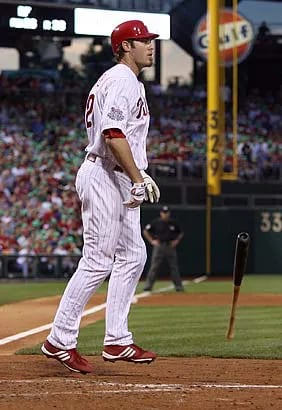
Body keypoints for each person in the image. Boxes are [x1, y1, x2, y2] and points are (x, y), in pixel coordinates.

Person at [41, 20, 160, 374]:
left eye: (151, 40)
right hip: (106, 174)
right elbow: (112, 133)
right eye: (143, 41)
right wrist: (137, 178)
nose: (151, 46)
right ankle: (59, 341)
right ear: (125, 46)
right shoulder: (122, 79)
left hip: (118, 174)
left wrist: (137, 172)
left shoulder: (121, 80)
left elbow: (121, 136)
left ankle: (117, 339)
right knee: (97, 260)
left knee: (134, 255)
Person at [143, 206, 184, 292]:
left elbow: (180, 232)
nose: (165, 214)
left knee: (174, 267)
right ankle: (148, 286)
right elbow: (146, 231)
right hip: (159, 246)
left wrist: (176, 241)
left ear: (169, 213)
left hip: (170, 246)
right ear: (161, 213)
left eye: (167, 212)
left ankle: (178, 286)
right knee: (154, 266)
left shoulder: (173, 223)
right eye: (164, 212)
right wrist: (151, 241)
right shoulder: (156, 222)